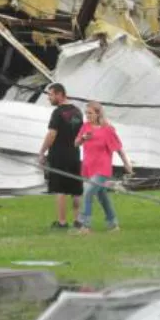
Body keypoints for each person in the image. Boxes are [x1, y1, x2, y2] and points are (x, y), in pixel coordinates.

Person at [73, 101, 132, 234]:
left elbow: (119, 149)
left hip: (102, 169)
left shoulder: (108, 130)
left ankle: (84, 226)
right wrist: (82, 138)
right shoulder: (85, 126)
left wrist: (127, 164)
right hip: (88, 167)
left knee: (88, 193)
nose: (87, 115)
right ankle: (113, 225)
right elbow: (76, 143)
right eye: (86, 113)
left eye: (90, 113)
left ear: (98, 113)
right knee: (102, 196)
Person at [38, 83, 84, 229]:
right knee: (76, 189)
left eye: (50, 95)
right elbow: (80, 134)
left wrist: (42, 152)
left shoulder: (58, 113)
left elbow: (52, 134)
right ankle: (78, 221)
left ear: (59, 94)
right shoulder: (78, 112)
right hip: (75, 154)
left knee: (61, 189)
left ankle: (62, 222)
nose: (49, 98)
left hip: (59, 155)